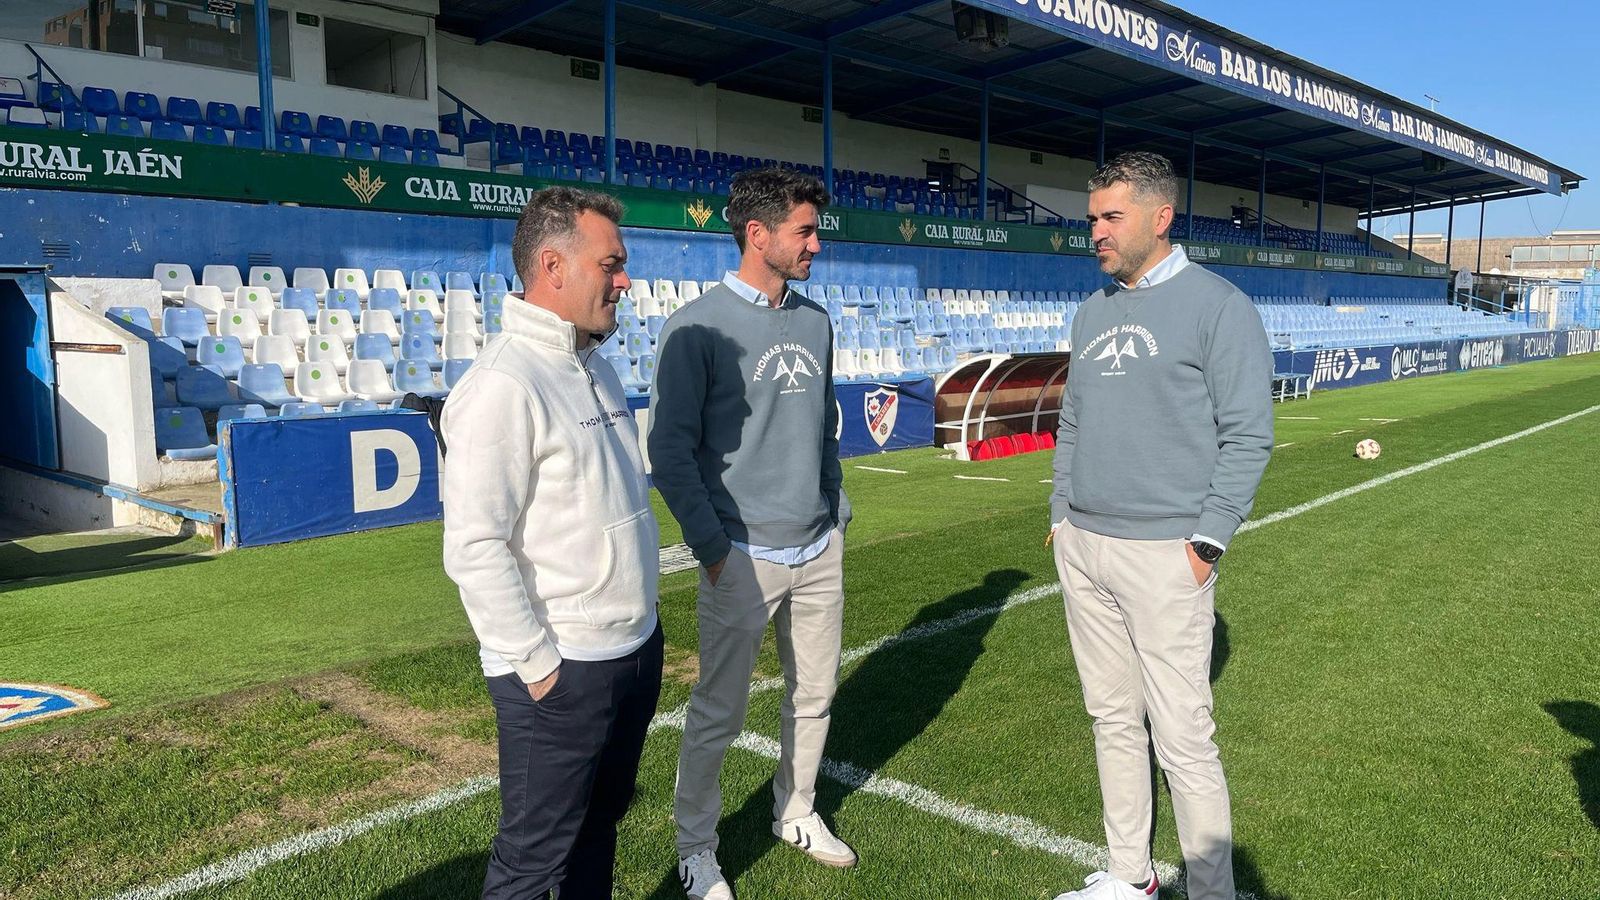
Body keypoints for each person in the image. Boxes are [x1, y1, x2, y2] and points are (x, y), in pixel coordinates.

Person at [1046, 152, 1273, 900]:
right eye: (1092, 220)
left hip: (1167, 553)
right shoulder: (1092, 309)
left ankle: (1213, 891)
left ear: (1160, 217)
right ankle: (1128, 875)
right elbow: (1072, 420)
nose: (1097, 234)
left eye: (1111, 218)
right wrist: (1060, 515)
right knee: (1112, 719)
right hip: (1084, 545)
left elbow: (1248, 434)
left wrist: (1207, 541)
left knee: (1182, 739)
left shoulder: (1219, 306)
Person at [441, 186, 663, 900]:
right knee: (532, 863)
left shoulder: (593, 363)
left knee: (599, 830)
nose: (625, 280)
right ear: (554, 267)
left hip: (631, 651)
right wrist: (540, 669)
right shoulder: (503, 384)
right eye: (612, 264)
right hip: (562, 670)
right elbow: (475, 547)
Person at [649, 167, 854, 900]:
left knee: (814, 695)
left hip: (818, 545)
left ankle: (795, 811)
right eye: (804, 231)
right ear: (757, 234)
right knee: (719, 712)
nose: (816, 244)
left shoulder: (817, 321)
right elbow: (669, 454)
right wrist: (711, 549)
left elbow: (823, 427)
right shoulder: (695, 328)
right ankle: (697, 850)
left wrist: (834, 503)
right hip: (739, 554)